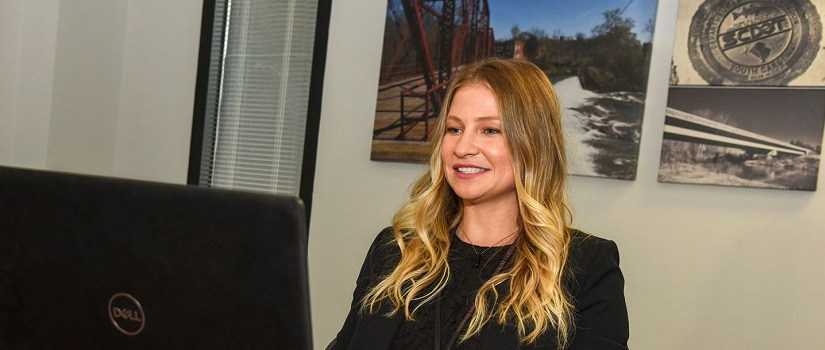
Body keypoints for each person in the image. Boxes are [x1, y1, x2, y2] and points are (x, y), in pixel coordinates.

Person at [329, 58, 628, 349]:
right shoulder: (395, 250)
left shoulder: (586, 266)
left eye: (490, 130)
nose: (463, 147)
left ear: (534, 144)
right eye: (454, 129)